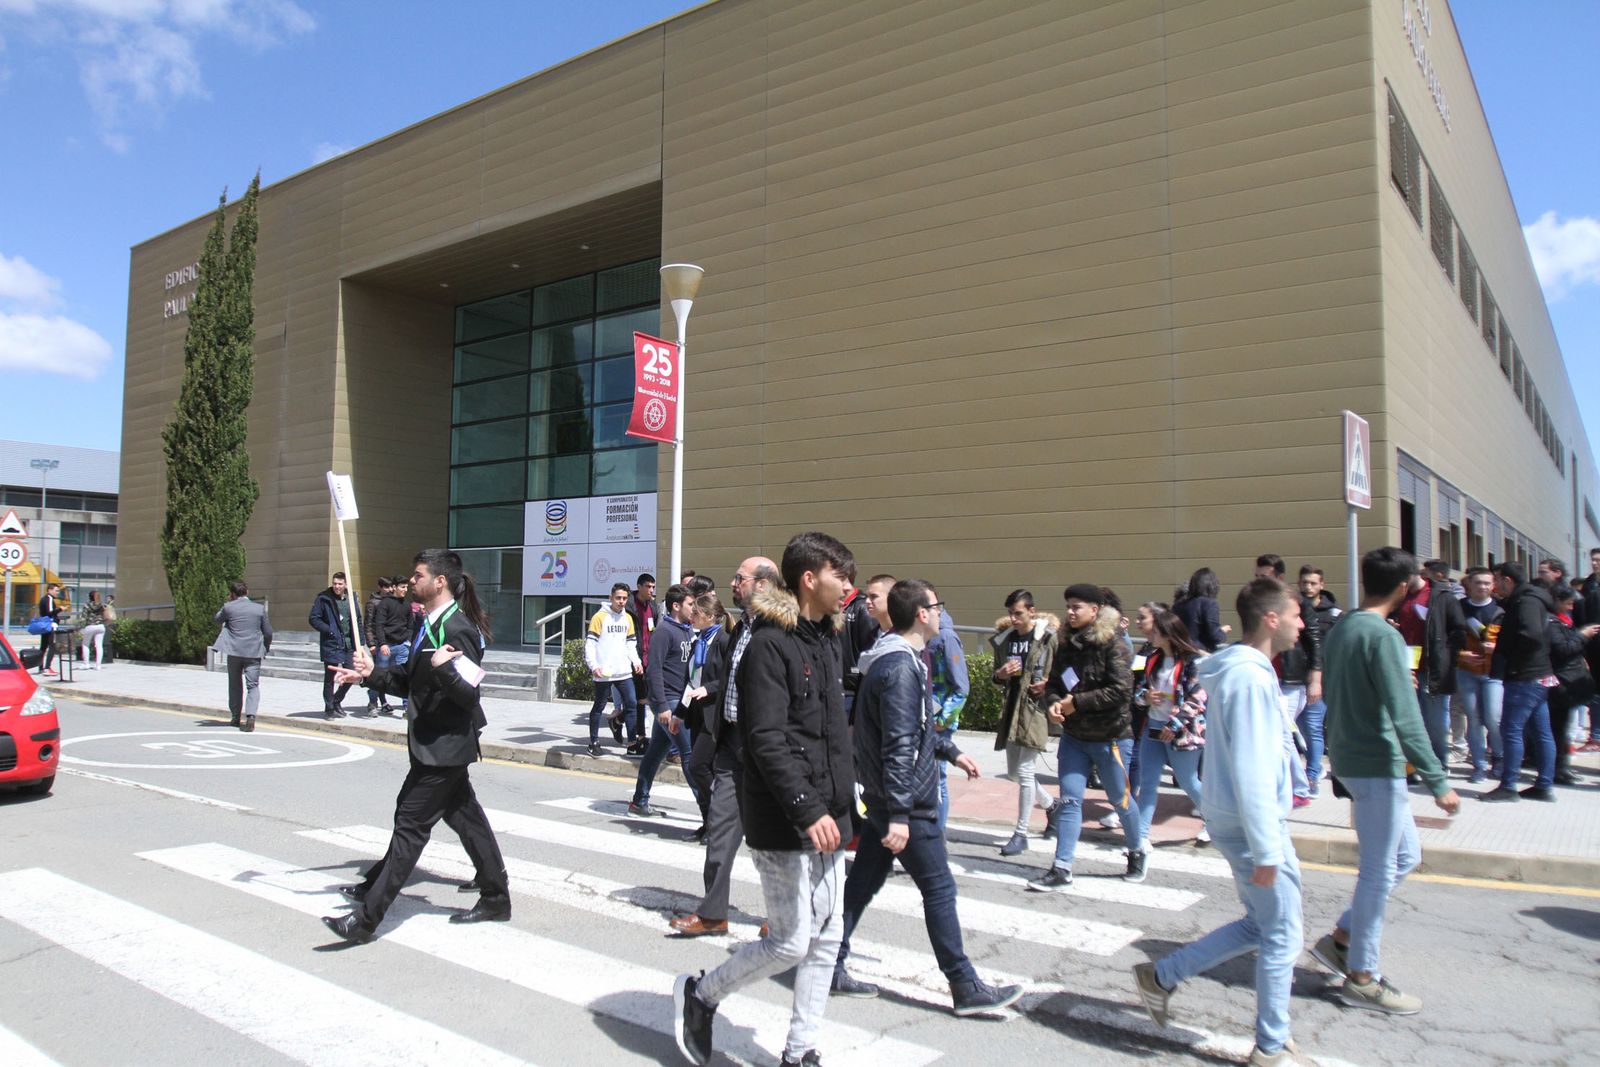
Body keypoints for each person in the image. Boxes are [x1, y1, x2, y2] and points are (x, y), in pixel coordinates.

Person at [673, 532, 857, 1067]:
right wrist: (808, 807)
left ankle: (801, 1051)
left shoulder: (828, 639)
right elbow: (767, 739)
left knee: (828, 935)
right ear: (809, 578)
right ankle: (701, 995)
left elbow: (829, 733)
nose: (848, 585)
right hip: (784, 815)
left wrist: (847, 804)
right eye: (840, 575)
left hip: (830, 813)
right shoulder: (768, 644)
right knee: (791, 942)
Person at [1132, 577, 1313, 1067]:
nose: (1302, 624)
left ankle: (1163, 976)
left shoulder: (1240, 671)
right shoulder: (1251, 678)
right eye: (1297, 615)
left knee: (1263, 925)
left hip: (1234, 816)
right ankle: (1272, 1046)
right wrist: (1269, 849)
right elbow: (1255, 765)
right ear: (1272, 619)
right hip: (1254, 824)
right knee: (1282, 934)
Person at [830, 579, 1024, 1015]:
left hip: (889, 798)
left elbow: (910, 728)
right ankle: (964, 984)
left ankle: (830, 961)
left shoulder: (898, 659)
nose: (940, 612)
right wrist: (900, 813)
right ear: (921, 613)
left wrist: (950, 750)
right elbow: (897, 742)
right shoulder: (900, 666)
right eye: (937, 606)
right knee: (938, 887)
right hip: (906, 802)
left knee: (861, 884)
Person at [322, 549, 511, 943]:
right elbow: (409, 684)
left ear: (439, 582)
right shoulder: (426, 624)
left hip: (444, 749)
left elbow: (468, 698)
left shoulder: (458, 629)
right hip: (432, 744)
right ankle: (495, 897)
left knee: (410, 827)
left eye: (418, 575)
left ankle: (366, 920)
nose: (411, 581)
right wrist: (371, 675)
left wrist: (444, 671)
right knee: (466, 820)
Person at [1311, 547, 1460, 1016]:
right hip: (1376, 763)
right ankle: (1362, 975)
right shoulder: (1383, 636)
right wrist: (1438, 781)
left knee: (1406, 856)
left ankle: (1342, 939)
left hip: (1354, 759)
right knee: (1378, 870)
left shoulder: (1345, 628)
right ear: (1403, 587)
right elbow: (1406, 713)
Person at [669, 557, 779, 937]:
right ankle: (714, 913)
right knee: (719, 827)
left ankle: (783, 917)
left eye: (740, 578)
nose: (733, 583)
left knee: (772, 839)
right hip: (732, 744)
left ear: (763, 585)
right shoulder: (742, 627)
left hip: (766, 749)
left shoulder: (782, 628)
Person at [1026, 583, 1148, 891]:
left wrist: (1075, 702)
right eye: (1068, 606)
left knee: (1121, 800)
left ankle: (1136, 850)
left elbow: (1122, 692)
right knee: (1069, 801)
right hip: (1075, 738)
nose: (1070, 612)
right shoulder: (1065, 642)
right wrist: (1054, 703)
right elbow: (1054, 683)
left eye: (1076, 606)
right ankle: (1062, 867)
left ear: (1095, 610)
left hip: (1112, 738)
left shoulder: (1114, 644)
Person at [989, 589, 1063, 856]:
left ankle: (1021, 833)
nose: (1014, 618)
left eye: (1018, 613)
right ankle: (1052, 806)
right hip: (1012, 709)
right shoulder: (1006, 640)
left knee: (1026, 772)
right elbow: (997, 677)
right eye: (1010, 613)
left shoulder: (1048, 639)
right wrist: (1000, 674)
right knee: (1014, 773)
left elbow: (1063, 671)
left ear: (1032, 611)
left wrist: (1049, 684)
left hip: (1035, 710)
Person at [1132, 609, 1209, 846]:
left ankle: (1213, 821)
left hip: (1182, 731)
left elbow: (1198, 699)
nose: (1150, 635)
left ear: (1168, 633)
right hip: (1153, 726)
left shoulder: (1193, 661)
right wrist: (1146, 697)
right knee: (1148, 782)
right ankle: (1141, 835)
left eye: (1155, 632)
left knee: (1188, 781)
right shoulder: (1151, 658)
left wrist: (1174, 724)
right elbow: (1137, 691)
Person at [1483, 561, 1557, 802]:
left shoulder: (1525, 602)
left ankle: (1509, 785)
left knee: (1511, 730)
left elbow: (1530, 635)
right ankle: (1544, 785)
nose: (1494, 586)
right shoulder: (1532, 599)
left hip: (1525, 676)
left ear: (1508, 580)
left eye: (1497, 580)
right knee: (1541, 732)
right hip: (1538, 674)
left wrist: (1509, 654)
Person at [1255, 555, 1321, 806]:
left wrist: (1315, 679)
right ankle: (1296, 787)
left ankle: (1299, 789)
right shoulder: (1259, 603)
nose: (1259, 580)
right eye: (1257, 576)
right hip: (1270, 676)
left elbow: (1314, 641)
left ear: (1280, 578)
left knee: (1282, 732)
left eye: (1265, 576)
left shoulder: (1296, 602)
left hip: (1293, 680)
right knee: (1281, 733)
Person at [630, 584, 698, 817]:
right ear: (676, 606)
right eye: (690, 604)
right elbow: (653, 670)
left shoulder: (688, 630)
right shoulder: (664, 632)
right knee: (689, 755)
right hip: (668, 703)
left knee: (655, 752)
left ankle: (639, 801)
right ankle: (710, 811)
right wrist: (660, 707)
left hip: (680, 702)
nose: (694, 608)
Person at [682, 592, 729, 833]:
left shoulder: (722, 641)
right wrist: (679, 713)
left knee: (698, 766)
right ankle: (707, 822)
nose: (691, 616)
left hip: (713, 714)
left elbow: (729, 678)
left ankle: (718, 820)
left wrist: (707, 689)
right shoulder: (698, 640)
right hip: (695, 712)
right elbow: (690, 680)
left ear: (710, 617)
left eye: (696, 614)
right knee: (701, 768)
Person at [1416, 559, 1468, 771]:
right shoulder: (1403, 598)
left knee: (1436, 718)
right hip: (1409, 661)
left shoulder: (1443, 597)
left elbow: (1459, 630)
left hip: (1434, 664)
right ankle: (1418, 762)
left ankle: (1439, 761)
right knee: (1414, 717)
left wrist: (1446, 654)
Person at [1453, 567, 1504, 783]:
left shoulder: (1502, 610)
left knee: (1493, 718)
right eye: (1478, 583)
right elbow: (1448, 638)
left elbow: (1514, 641)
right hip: (1467, 670)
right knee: (1473, 719)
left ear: (1493, 586)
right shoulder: (1459, 609)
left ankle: (1499, 758)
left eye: (1486, 583)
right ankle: (1479, 765)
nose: (1482, 586)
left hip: (1494, 672)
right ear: (1469, 585)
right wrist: (1460, 654)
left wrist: (1496, 647)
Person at [585, 582, 645, 757]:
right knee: (599, 706)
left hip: (623, 671)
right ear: (611, 598)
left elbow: (631, 643)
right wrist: (594, 666)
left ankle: (632, 743)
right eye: (618, 598)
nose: (621, 601)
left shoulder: (627, 618)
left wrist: (636, 661)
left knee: (632, 704)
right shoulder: (599, 617)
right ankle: (594, 742)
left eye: (624, 598)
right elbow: (590, 644)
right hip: (603, 671)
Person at [1545, 585, 1596, 786]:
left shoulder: (1563, 620)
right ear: (1556, 600)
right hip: (1559, 682)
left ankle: (1562, 767)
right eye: (1568, 603)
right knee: (1557, 728)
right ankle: (1558, 769)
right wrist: (1583, 635)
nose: (1571, 607)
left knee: (1563, 727)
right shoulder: (1551, 622)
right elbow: (1564, 649)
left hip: (1566, 681)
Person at [1297, 565, 1341, 795]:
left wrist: (1320, 679)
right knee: (1300, 729)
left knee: (1313, 728)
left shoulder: (1333, 614)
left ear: (1322, 585)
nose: (1308, 587)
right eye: (1304, 582)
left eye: (1313, 583)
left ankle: (1312, 775)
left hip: (1318, 679)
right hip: (1295, 678)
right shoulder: (1294, 609)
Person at [925, 598, 969, 828]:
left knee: (938, 780)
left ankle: (937, 834)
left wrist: (943, 719)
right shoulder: (924, 634)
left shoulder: (946, 637)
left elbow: (961, 686)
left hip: (939, 721)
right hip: (926, 717)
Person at [213, 580, 273, 731]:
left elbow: (217, 619)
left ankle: (235, 717)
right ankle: (251, 716)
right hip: (253, 652)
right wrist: (265, 647)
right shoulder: (258, 609)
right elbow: (268, 632)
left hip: (234, 652)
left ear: (232, 594)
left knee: (234, 684)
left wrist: (228, 604)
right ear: (247, 592)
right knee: (253, 685)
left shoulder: (229, 607)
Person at [309, 572, 355, 719]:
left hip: (349, 643)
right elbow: (314, 618)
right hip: (332, 643)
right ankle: (329, 708)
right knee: (330, 678)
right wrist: (329, 630)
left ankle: (336, 700)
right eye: (335, 583)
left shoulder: (352, 598)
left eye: (340, 584)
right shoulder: (324, 598)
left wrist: (360, 641)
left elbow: (357, 619)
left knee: (351, 674)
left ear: (345, 584)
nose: (336, 586)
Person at [372, 576, 415, 717]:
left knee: (404, 675)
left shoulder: (407, 605)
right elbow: (379, 625)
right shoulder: (385, 603)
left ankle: (407, 707)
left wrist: (408, 641)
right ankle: (373, 703)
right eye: (402, 587)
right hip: (386, 646)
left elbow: (410, 625)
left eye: (406, 587)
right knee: (378, 675)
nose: (405, 590)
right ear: (394, 587)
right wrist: (382, 643)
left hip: (402, 645)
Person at [1173, 567, 1229, 652]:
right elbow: (1215, 636)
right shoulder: (1209, 603)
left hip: (1180, 653)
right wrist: (1223, 631)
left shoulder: (1178, 605)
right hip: (1201, 655)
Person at [36, 582, 63, 676]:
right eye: (56, 591)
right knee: (52, 646)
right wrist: (60, 609)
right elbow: (49, 613)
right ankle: (47, 668)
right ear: (50, 590)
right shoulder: (49, 599)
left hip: (44, 625)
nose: (57, 593)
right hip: (49, 625)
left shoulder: (43, 599)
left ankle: (41, 667)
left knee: (43, 646)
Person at [79, 590, 108, 669]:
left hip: (90, 626)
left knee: (85, 644)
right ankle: (98, 665)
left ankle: (86, 664)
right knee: (99, 645)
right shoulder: (102, 605)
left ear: (89, 597)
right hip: (100, 626)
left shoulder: (87, 605)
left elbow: (83, 617)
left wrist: (80, 627)